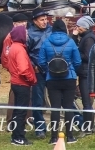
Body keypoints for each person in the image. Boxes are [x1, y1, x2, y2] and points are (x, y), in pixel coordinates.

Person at [38, 19, 81, 144]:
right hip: (69, 78)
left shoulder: (46, 42)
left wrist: (49, 70)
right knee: (68, 107)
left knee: (55, 109)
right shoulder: (71, 42)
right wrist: (71, 69)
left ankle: (53, 137)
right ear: (64, 29)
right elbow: (77, 61)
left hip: (52, 79)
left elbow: (41, 62)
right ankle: (70, 136)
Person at [6, 25, 37, 146]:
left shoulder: (13, 47)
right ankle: (19, 137)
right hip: (22, 83)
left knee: (17, 111)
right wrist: (31, 79)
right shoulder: (20, 49)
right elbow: (23, 69)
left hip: (15, 82)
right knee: (21, 112)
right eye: (26, 33)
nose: (28, 35)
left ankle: (15, 136)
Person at [26, 8, 52, 138]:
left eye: (46, 19)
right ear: (34, 21)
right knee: (37, 100)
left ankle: (81, 123)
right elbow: (25, 54)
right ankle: (40, 128)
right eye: (42, 20)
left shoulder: (51, 30)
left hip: (53, 71)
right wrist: (32, 66)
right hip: (38, 71)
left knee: (62, 98)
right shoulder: (29, 34)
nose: (45, 22)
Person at [70, 15, 95, 135]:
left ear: (85, 27)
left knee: (86, 102)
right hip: (84, 73)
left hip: (86, 74)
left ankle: (88, 128)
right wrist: (75, 37)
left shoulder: (89, 39)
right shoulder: (86, 37)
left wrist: (75, 53)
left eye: (79, 26)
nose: (77, 27)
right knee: (86, 102)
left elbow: (88, 56)